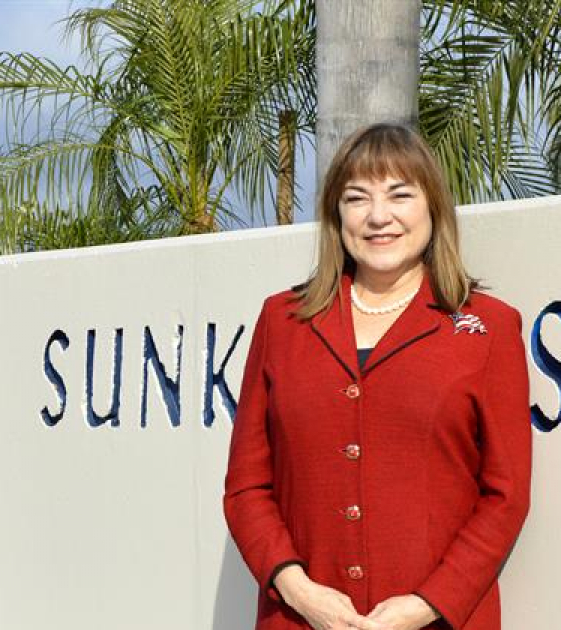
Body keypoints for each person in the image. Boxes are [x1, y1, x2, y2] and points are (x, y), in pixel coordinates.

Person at [223, 123, 532, 630]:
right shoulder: (282, 322)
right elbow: (246, 487)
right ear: (335, 215)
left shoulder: (489, 328)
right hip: (300, 620)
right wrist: (299, 591)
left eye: (399, 194)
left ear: (432, 206)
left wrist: (426, 604)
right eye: (356, 197)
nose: (378, 216)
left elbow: (506, 495)